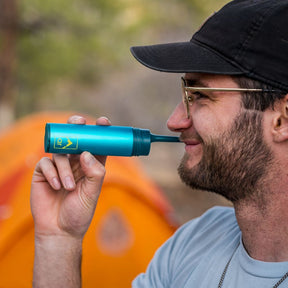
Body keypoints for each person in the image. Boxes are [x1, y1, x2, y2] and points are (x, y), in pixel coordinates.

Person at [30, 0, 288, 287]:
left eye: (199, 96)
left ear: (282, 119)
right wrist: (58, 240)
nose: (175, 121)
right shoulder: (193, 243)